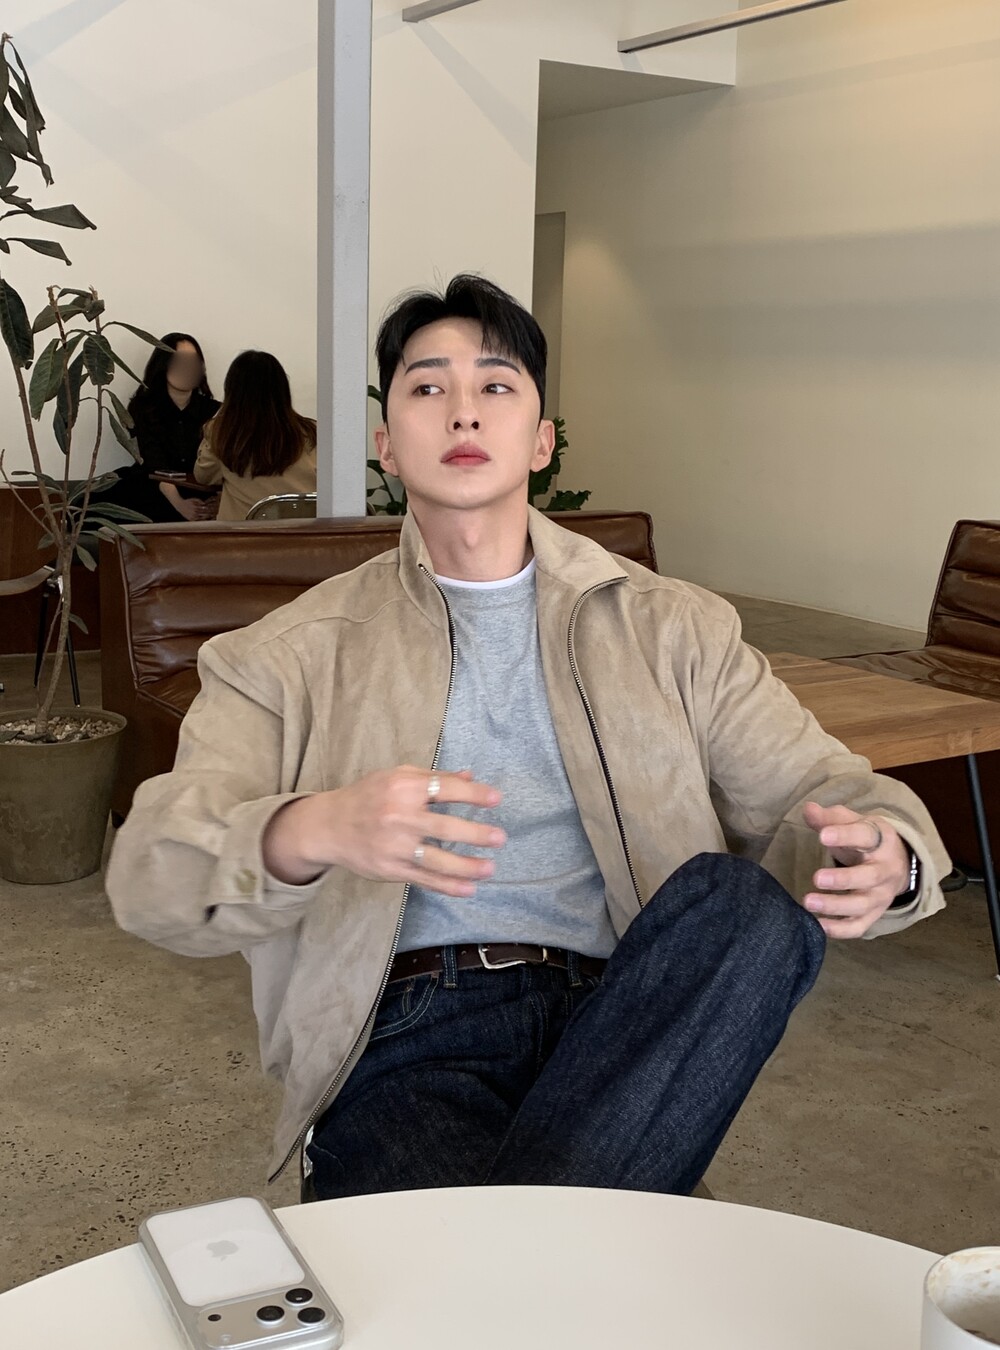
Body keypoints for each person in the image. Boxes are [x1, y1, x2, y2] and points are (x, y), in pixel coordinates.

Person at [106, 275, 949, 1201]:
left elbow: (824, 788)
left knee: (743, 910)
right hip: (403, 1038)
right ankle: (592, 1212)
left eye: (496, 385)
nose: (463, 410)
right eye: (428, 386)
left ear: (542, 440)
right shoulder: (285, 655)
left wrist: (893, 855)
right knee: (575, 1269)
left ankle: (555, 1224)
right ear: (387, 444)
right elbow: (152, 876)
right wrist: (310, 830)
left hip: (627, 1020)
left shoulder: (673, 628)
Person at [193, 350, 317, 520]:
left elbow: (203, 476)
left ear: (232, 392)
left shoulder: (222, 432)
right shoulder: (312, 432)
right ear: (283, 390)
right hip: (302, 533)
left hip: (244, 534)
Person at [111, 333, 220, 522]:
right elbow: (153, 462)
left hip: (201, 489)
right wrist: (180, 504)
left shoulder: (216, 411)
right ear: (163, 365)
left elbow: (225, 465)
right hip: (155, 488)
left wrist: (220, 502)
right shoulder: (142, 407)